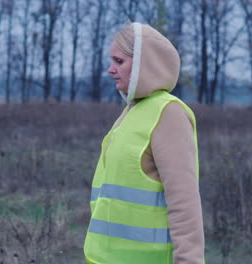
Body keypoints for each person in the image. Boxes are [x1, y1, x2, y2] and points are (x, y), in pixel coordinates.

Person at [84, 22, 205, 264]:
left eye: (119, 61)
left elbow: (185, 203)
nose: (110, 69)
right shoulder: (131, 111)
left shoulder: (168, 113)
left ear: (143, 64)